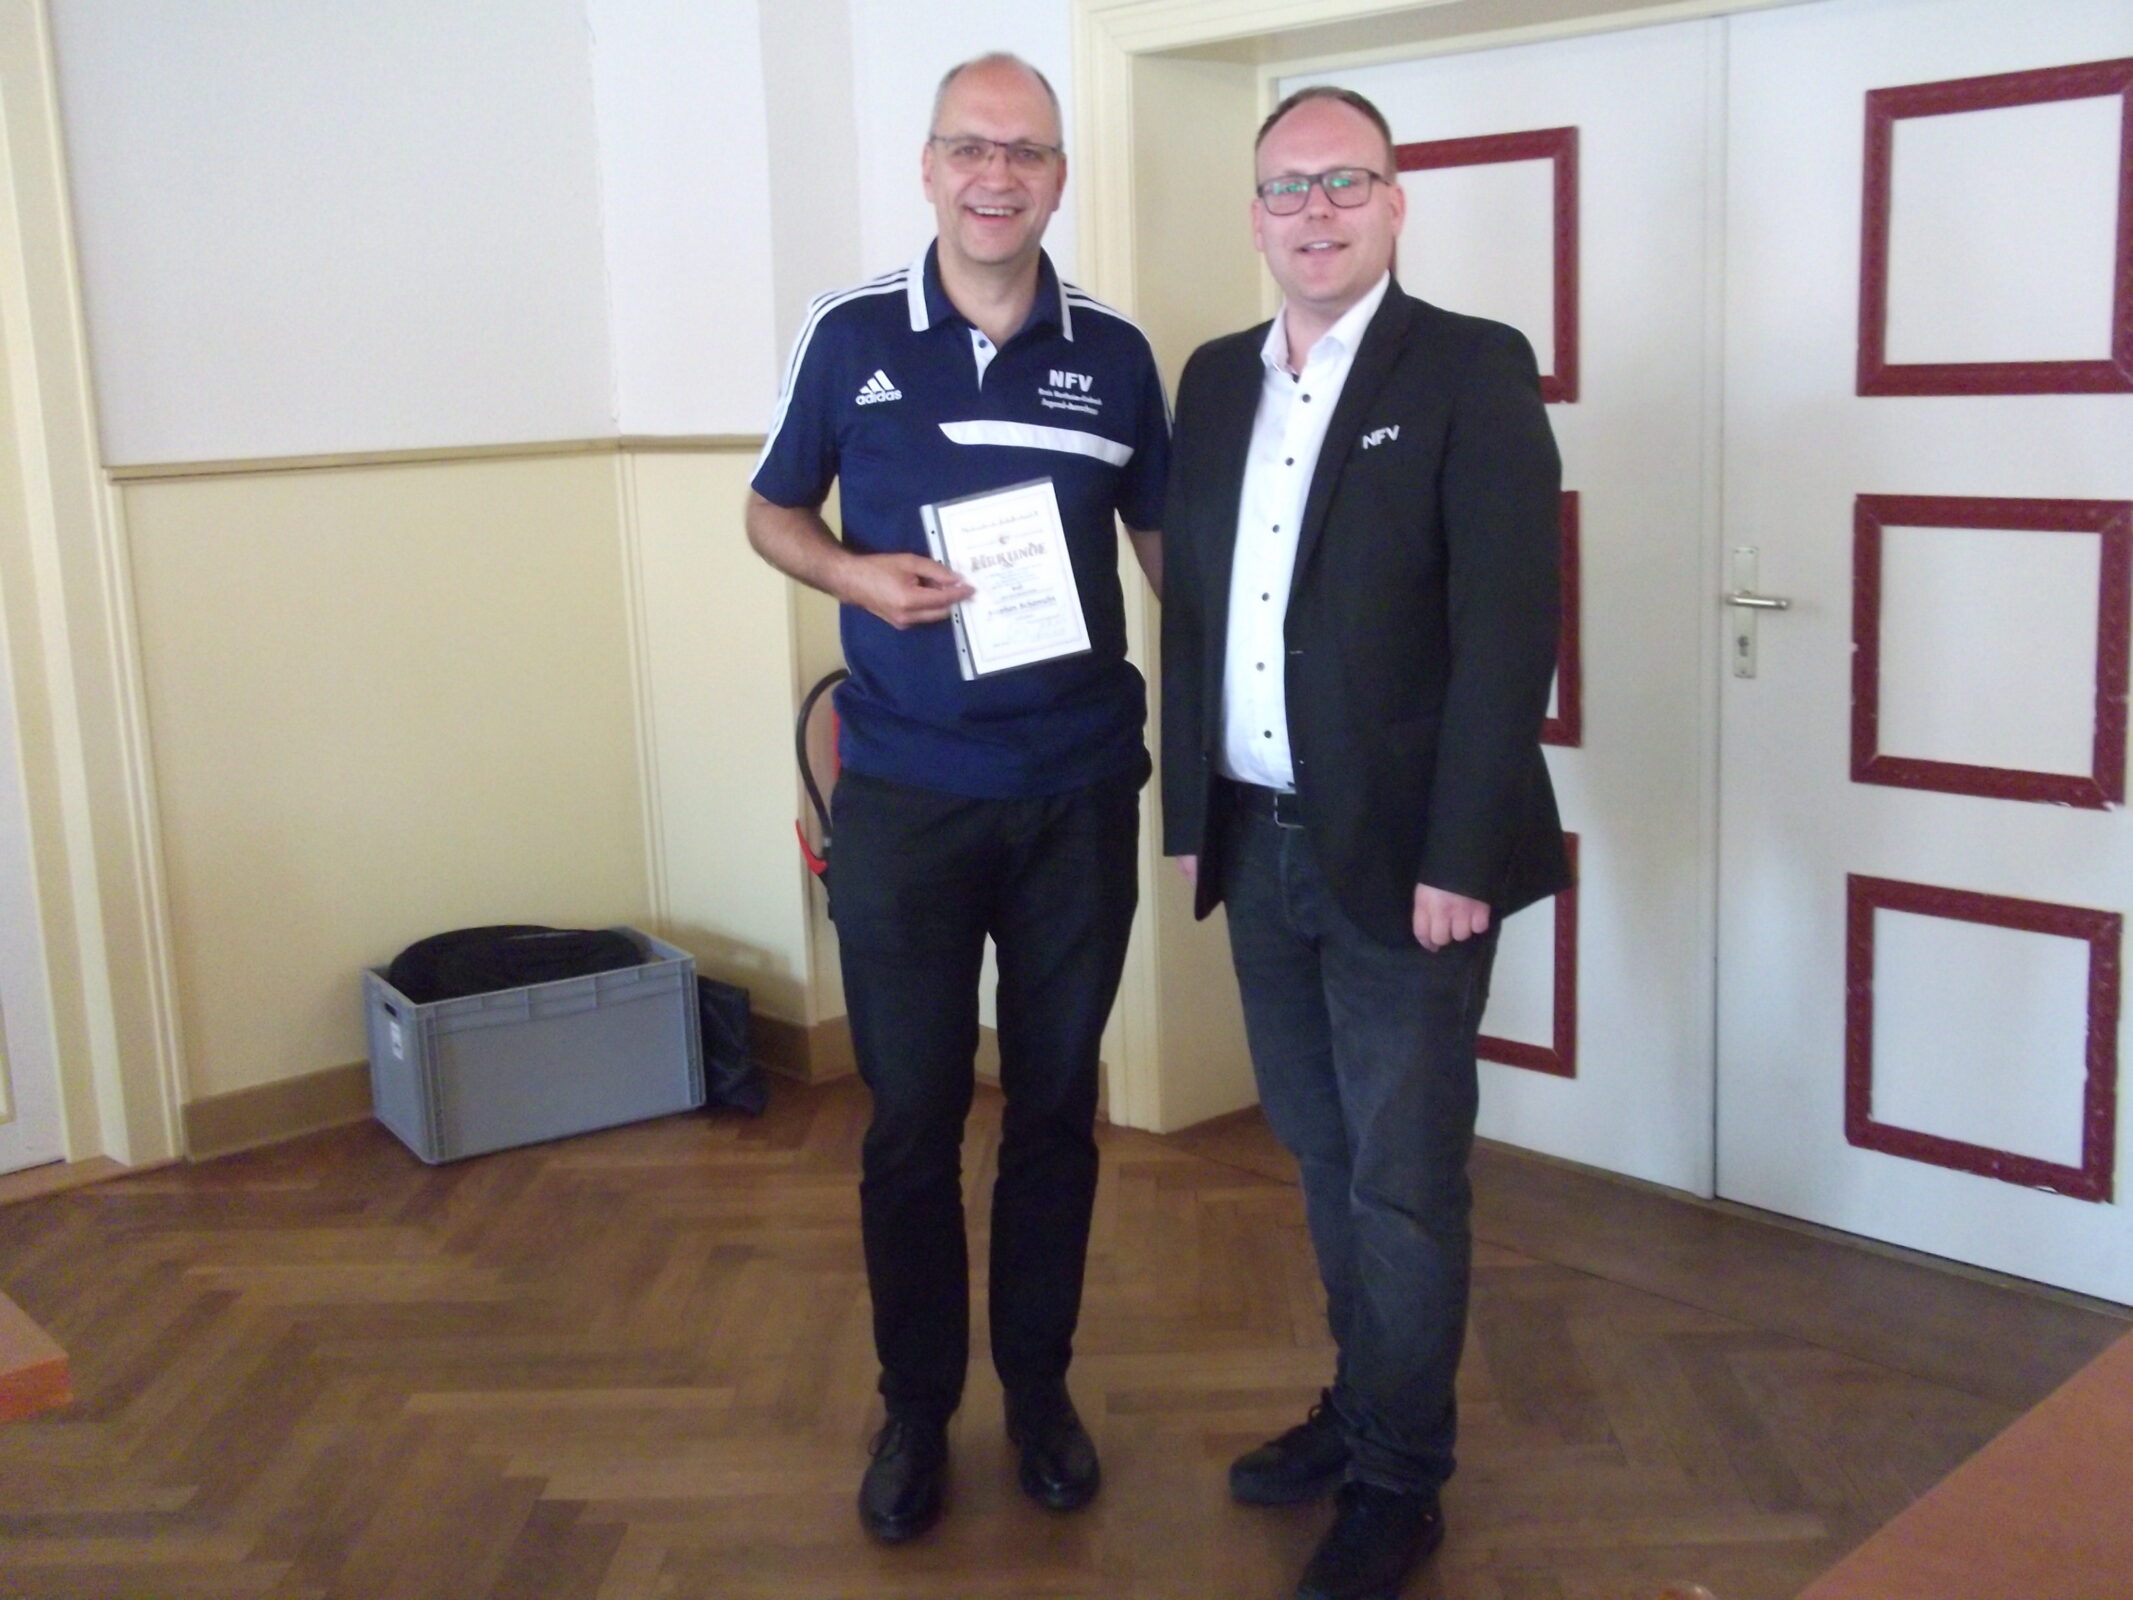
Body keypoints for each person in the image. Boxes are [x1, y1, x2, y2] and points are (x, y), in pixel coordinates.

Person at [745, 52, 1167, 1544]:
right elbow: (771, 512)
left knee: (1054, 1111)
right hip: (908, 802)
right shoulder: (851, 334)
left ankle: (1038, 1392)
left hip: (1074, 796)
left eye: (1028, 152)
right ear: (928, 168)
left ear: (1059, 178)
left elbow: (1168, 553)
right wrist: (853, 574)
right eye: (972, 149)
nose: (999, 176)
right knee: (911, 1121)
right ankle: (915, 1408)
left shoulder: (1116, 356)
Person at [1160, 85, 1569, 1600]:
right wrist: (1188, 818)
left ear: (1396, 202)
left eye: (1345, 182)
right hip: (1257, 841)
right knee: (1323, 1151)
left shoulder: (1467, 366)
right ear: (1256, 214)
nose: (1314, 211)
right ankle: (1361, 1406)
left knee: (1401, 1179)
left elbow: (1507, 629)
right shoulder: (1214, 380)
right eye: (1286, 187)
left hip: (1409, 864)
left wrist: (1460, 855)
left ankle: (1400, 1478)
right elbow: (1194, 610)